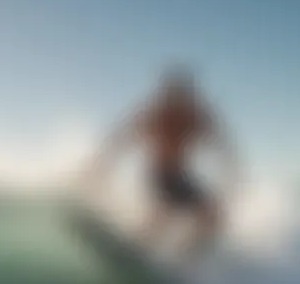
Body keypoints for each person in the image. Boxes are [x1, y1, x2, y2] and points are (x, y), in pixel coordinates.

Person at [86, 67, 240, 260]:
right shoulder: (158, 114)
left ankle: (185, 260)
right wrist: (101, 167)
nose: (175, 100)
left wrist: (233, 171)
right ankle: (137, 251)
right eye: (171, 95)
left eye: (180, 95)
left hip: (181, 176)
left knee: (212, 216)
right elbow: (123, 137)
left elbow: (221, 142)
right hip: (159, 173)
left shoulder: (196, 116)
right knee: (164, 213)